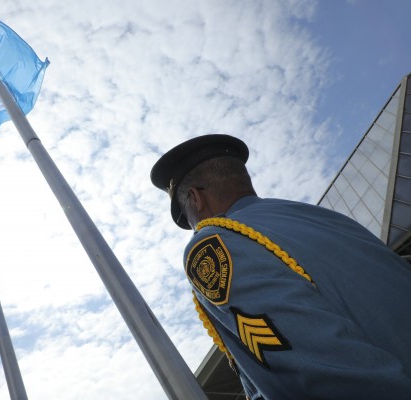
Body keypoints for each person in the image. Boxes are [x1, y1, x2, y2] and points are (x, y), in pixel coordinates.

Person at [150, 134, 411, 400]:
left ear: (195, 199)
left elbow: (327, 373)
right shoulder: (324, 218)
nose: (192, 227)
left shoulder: (215, 243)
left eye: (185, 216)